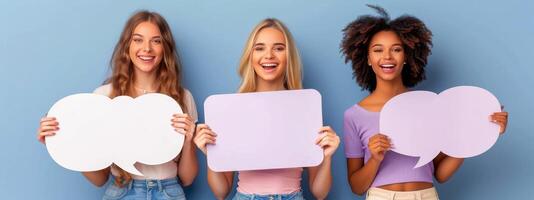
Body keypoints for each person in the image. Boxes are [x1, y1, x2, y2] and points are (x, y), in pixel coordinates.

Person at [340, 5, 509, 200]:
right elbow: (357, 187)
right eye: (378, 50)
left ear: (406, 57)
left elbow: (440, 174)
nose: (387, 57)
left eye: (396, 49)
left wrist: (480, 133)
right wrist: (375, 159)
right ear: (368, 58)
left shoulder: (428, 106)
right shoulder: (354, 115)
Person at [37, 10, 199, 200]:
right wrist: (65, 144)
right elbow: (99, 179)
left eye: (156, 41)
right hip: (123, 192)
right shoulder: (103, 97)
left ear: (165, 48)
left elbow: (187, 179)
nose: (146, 48)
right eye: (138, 39)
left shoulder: (182, 97)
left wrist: (188, 141)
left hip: (169, 192)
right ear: (127, 46)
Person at [194, 18, 340, 200]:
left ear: (289, 57)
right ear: (251, 56)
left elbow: (319, 192)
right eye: (260, 48)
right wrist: (212, 155)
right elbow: (221, 192)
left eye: (279, 48)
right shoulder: (233, 109)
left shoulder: (304, 108)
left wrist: (326, 157)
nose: (269, 55)